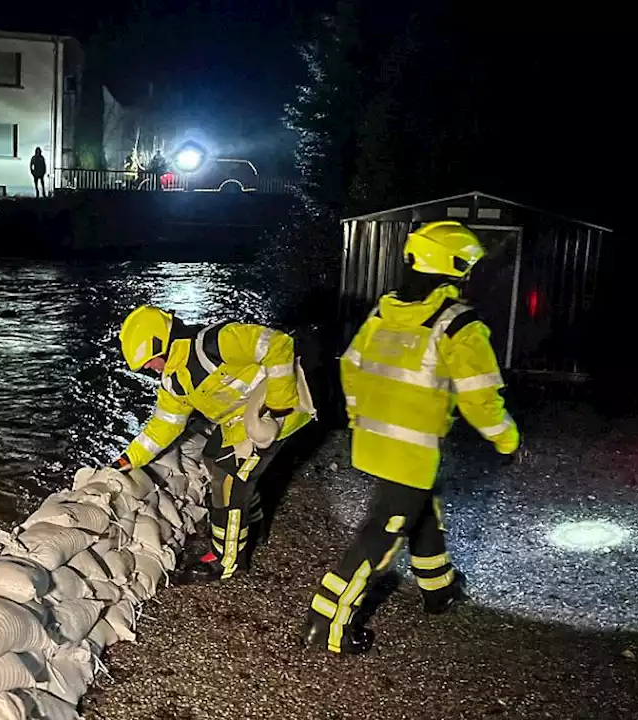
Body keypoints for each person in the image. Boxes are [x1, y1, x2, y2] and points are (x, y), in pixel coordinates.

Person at [301, 220, 522, 656]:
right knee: (380, 536)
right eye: (466, 268)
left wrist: (360, 414)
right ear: (452, 267)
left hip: (372, 442)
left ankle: (438, 588)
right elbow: (481, 399)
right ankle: (326, 624)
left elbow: (350, 366)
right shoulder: (459, 325)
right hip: (413, 453)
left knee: (420, 509)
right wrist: (507, 440)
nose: (469, 277)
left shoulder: (384, 313)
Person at [114, 306, 317, 583]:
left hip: (275, 417)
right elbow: (163, 426)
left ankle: (228, 561)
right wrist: (128, 460)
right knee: (212, 457)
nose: (149, 368)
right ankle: (252, 525)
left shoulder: (214, 342)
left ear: (161, 342)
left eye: (148, 361)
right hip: (239, 423)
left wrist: (280, 404)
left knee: (231, 482)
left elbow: (277, 343)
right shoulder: (175, 380)